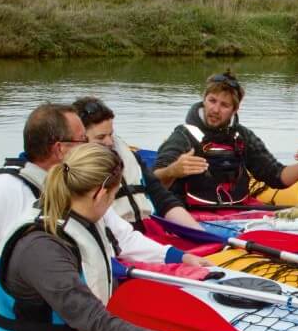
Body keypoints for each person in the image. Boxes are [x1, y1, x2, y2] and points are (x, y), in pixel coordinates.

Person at [0, 103, 205, 331]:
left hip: (85, 297)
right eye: (83, 140)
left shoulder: (80, 185)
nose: (92, 146)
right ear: (60, 149)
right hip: (37, 312)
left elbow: (122, 237)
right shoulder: (3, 191)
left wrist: (179, 257)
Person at [0, 142, 228, 331]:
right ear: (100, 195)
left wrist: (178, 257)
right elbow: (97, 324)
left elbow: (125, 242)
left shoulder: (77, 211)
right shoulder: (42, 249)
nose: (111, 204)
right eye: (113, 198)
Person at [152, 69, 298, 207]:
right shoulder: (183, 136)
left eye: (224, 105)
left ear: (234, 110)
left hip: (237, 212)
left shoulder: (243, 136)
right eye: (212, 101)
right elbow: (154, 178)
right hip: (191, 213)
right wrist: (172, 170)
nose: (215, 109)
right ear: (204, 100)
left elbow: (277, 176)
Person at [72, 96, 203, 231]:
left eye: (111, 134)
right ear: (80, 138)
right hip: (117, 238)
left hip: (144, 229)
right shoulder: (75, 173)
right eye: (100, 138)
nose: (110, 142)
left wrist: (199, 233)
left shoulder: (131, 157)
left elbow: (161, 197)